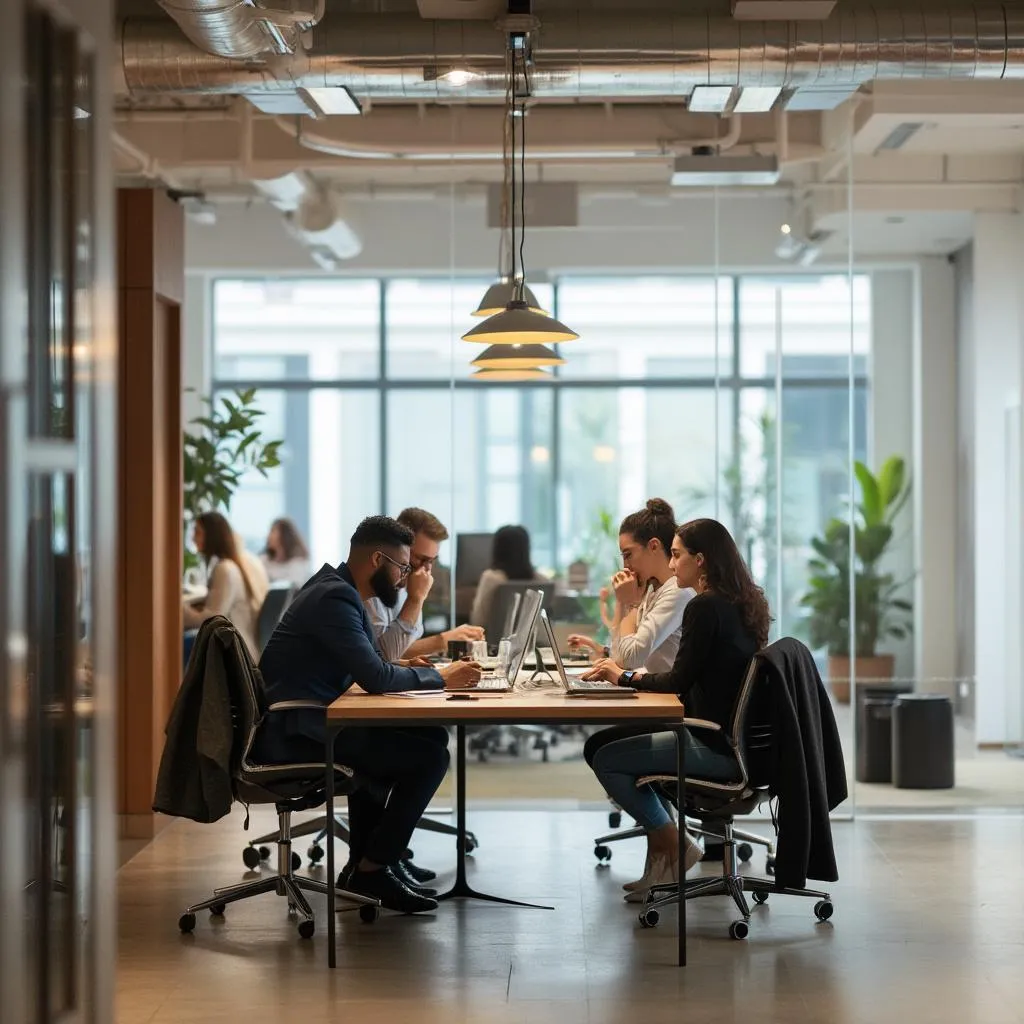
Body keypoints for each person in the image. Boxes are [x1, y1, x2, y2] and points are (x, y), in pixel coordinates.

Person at [255, 515, 482, 914]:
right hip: (299, 732)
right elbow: (377, 675)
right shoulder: (335, 598)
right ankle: (375, 866)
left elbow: (376, 661)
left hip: (316, 719)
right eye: (403, 568)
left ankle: (368, 863)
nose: (403, 579)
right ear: (379, 559)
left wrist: (421, 673)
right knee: (430, 757)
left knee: (428, 739)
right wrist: (442, 677)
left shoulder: (339, 589)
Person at [582, 518, 771, 900]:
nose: (671, 565)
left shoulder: (705, 607)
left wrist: (624, 678)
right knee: (604, 745)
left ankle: (672, 842)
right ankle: (666, 852)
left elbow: (676, 681)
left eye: (677, 554)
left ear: (700, 560)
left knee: (606, 758)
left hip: (717, 747)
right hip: (740, 745)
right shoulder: (745, 601)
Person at [569, 498, 692, 674]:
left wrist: (627, 602)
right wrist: (623, 603)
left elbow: (629, 660)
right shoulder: (651, 589)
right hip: (655, 694)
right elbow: (619, 657)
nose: (626, 565)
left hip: (672, 699)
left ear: (654, 546)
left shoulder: (677, 592)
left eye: (628, 554)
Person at [365, 507, 484, 662]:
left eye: (432, 561)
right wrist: (442, 640)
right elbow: (383, 654)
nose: (427, 569)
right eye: (421, 559)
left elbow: (401, 648)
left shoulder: (407, 588)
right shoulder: (371, 591)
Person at [183, 511, 266, 659]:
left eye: (198, 532)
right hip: (239, 647)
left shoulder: (225, 569)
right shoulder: (232, 566)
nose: (193, 538)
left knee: (178, 643)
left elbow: (212, 619)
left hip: (234, 652)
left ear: (212, 536)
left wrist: (180, 611)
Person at [469, 524, 543, 628]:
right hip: (531, 643)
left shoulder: (491, 578)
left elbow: (478, 619)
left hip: (496, 643)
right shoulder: (541, 580)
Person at [260, 517, 312, 587]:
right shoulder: (263, 560)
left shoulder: (298, 563)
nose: (269, 536)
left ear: (284, 535)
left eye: (273, 531)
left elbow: (294, 587)